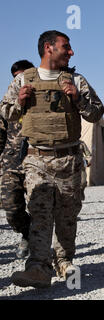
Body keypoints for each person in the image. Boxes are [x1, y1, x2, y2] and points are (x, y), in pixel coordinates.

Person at [1, 30, 104, 288]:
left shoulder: (76, 80)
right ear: (49, 48)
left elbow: (96, 113)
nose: (71, 52)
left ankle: (64, 260)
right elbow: (6, 112)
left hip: (69, 159)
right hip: (37, 159)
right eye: (65, 47)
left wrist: (77, 99)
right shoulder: (24, 79)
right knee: (40, 214)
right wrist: (19, 103)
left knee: (67, 216)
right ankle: (37, 267)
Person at [0, 59, 34, 259]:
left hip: (36, 161)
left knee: (40, 207)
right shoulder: (7, 104)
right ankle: (26, 232)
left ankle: (42, 253)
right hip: (11, 163)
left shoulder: (42, 102)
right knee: (11, 208)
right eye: (16, 78)